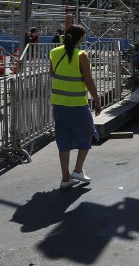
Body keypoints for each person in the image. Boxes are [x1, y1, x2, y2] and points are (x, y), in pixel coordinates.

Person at [49, 25, 101, 189]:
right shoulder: (82, 55)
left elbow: (51, 73)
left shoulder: (54, 52)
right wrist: (97, 100)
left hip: (59, 104)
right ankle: (78, 170)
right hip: (78, 103)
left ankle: (66, 178)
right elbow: (89, 80)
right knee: (87, 133)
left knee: (63, 139)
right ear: (79, 39)